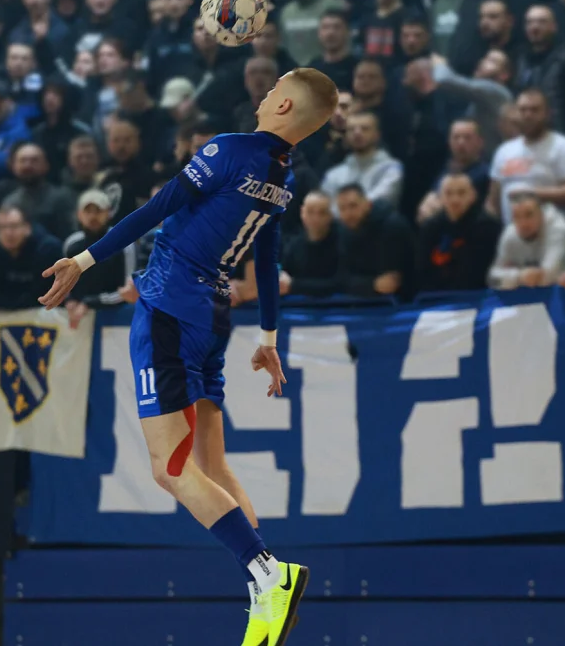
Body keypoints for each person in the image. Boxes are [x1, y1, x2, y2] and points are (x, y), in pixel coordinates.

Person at [38, 67, 339, 646]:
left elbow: (159, 206)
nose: (265, 93)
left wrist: (84, 259)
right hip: (213, 317)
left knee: (170, 469)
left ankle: (267, 574)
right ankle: (265, 590)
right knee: (213, 467)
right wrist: (269, 337)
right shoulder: (282, 174)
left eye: (274, 89)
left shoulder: (229, 149)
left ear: (283, 108)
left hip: (171, 309)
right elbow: (268, 257)